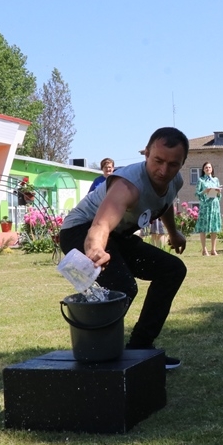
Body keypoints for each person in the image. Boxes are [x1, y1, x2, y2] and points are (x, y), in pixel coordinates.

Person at [59, 127, 190, 370]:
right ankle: (94, 354)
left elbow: (165, 201)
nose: (164, 171)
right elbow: (100, 224)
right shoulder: (127, 185)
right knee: (123, 286)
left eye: (173, 164)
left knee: (172, 270)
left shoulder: (175, 180)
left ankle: (140, 347)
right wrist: (96, 249)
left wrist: (173, 233)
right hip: (81, 230)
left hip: (118, 236)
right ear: (146, 153)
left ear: (182, 163)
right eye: (158, 161)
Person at [194, 162, 222, 256]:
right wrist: (205, 191)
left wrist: (218, 192)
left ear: (212, 169)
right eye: (206, 167)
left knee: (214, 227)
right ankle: (204, 249)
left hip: (214, 205)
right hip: (205, 206)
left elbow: (219, 196)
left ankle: (213, 249)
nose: (208, 169)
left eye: (209, 167)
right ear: (203, 169)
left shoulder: (216, 180)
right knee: (203, 227)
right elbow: (197, 193)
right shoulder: (201, 180)